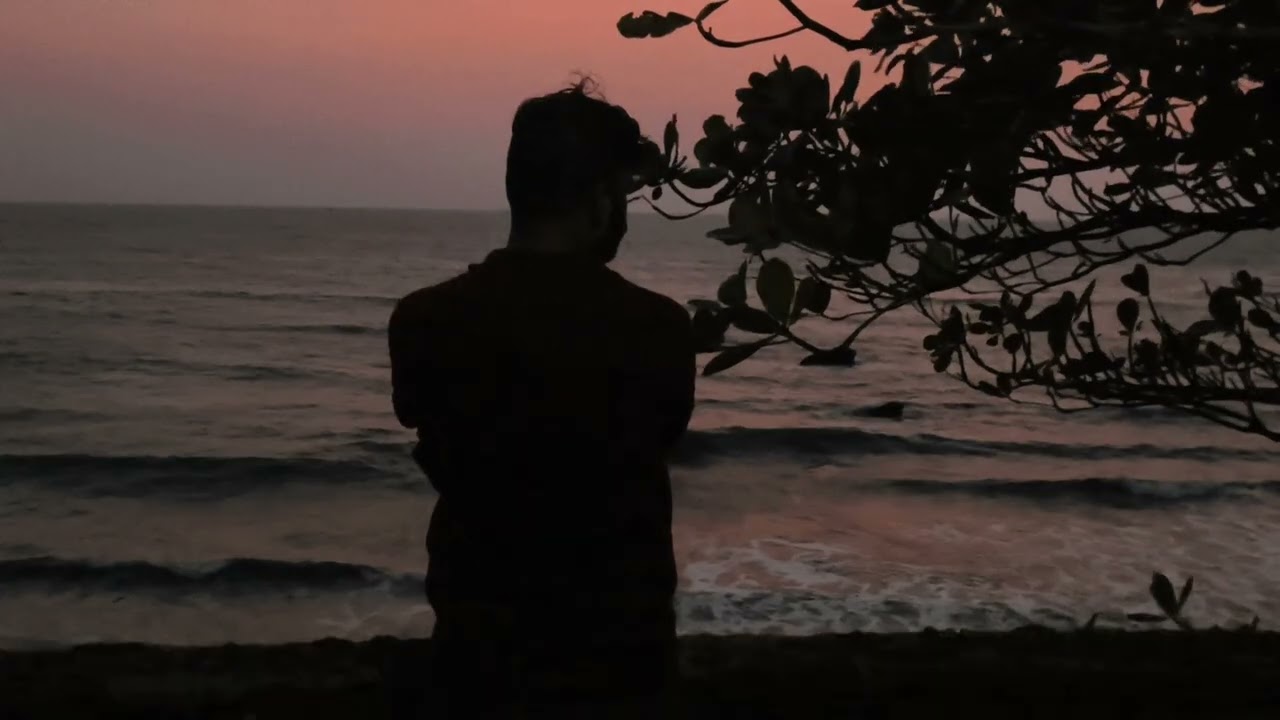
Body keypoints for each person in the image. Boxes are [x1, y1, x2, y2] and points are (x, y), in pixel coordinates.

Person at [387, 80, 696, 718]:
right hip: (622, 657)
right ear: (603, 199)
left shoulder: (424, 321)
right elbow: (660, 437)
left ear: (516, 187)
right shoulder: (657, 329)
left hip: (480, 652)